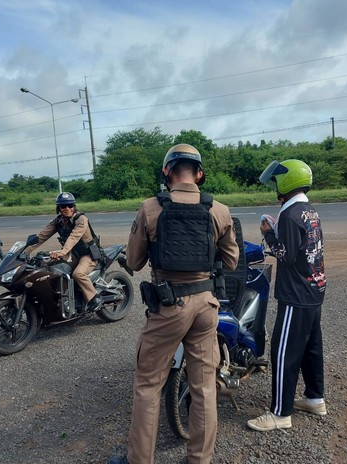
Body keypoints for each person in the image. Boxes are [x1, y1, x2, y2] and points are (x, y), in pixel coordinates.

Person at [109, 144, 239, 464]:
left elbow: (135, 262)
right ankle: (199, 459)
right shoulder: (219, 210)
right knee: (204, 387)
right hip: (206, 306)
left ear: (167, 171)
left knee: (148, 385)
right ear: (199, 173)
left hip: (169, 307)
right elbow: (232, 262)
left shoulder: (151, 208)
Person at [247, 159, 327, 432]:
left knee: (284, 352)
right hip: (314, 289)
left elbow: (286, 255)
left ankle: (280, 414)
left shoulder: (291, 215)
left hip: (296, 294)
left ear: (286, 181)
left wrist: (269, 234)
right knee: (311, 348)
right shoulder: (309, 211)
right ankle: (315, 399)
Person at [26, 191, 103, 312]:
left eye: (70, 205)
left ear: (74, 206)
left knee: (78, 274)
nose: (67, 208)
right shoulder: (57, 221)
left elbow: (74, 237)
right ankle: (61, 298)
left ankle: (94, 298)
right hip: (72, 254)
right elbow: (41, 237)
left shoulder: (81, 219)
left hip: (88, 254)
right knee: (50, 268)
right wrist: (24, 251)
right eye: (63, 206)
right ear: (59, 208)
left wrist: (62, 252)